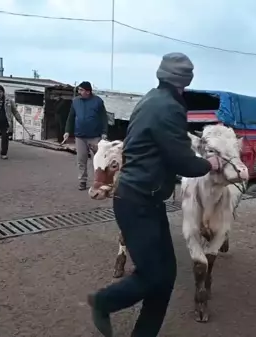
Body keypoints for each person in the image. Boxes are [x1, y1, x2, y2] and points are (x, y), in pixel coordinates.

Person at [86, 52, 222, 337]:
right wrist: (210, 163)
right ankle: (103, 301)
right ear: (184, 81)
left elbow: (164, 150)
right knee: (151, 276)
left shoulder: (149, 99)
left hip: (143, 199)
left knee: (166, 276)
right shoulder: (169, 108)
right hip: (139, 201)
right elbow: (183, 160)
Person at [63, 81, 108, 190]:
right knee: (81, 159)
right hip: (80, 136)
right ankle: (82, 181)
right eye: (79, 90)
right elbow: (71, 117)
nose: (79, 91)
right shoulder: (75, 101)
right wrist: (67, 131)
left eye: (81, 90)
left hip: (95, 136)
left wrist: (104, 132)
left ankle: (98, 182)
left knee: (97, 160)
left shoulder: (98, 101)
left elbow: (104, 118)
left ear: (88, 91)